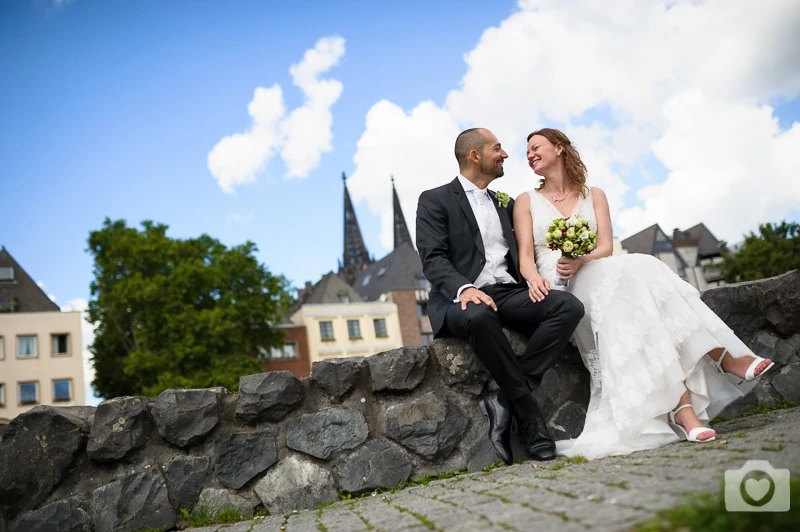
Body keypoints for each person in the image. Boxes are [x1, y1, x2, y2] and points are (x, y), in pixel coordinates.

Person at [514, 127, 775, 459]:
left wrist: (582, 260)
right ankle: (720, 360)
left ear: (560, 148)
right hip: (559, 283)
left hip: (595, 269)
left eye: (536, 147)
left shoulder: (594, 195)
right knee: (640, 270)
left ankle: (684, 411)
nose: (530, 154)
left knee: (639, 288)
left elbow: (605, 247)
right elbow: (525, 255)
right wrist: (534, 278)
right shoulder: (526, 201)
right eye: (527, 152)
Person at [415, 127, 585, 463]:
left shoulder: (504, 202)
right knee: (478, 315)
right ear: (475, 156)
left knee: (567, 307)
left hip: (508, 292)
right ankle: (528, 414)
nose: (505, 154)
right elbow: (433, 259)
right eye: (498, 148)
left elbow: (525, 251)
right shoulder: (434, 199)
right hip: (458, 299)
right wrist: (465, 288)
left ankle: (504, 399)